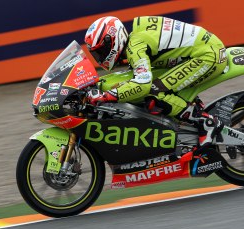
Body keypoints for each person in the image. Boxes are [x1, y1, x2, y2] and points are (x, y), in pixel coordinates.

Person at [84, 16, 227, 148]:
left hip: (207, 55)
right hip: (203, 49)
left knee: (154, 92)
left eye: (101, 51)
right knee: (160, 82)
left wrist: (108, 95)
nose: (101, 57)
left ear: (113, 40)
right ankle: (190, 111)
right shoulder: (137, 38)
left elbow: (143, 84)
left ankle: (206, 122)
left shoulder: (136, 46)